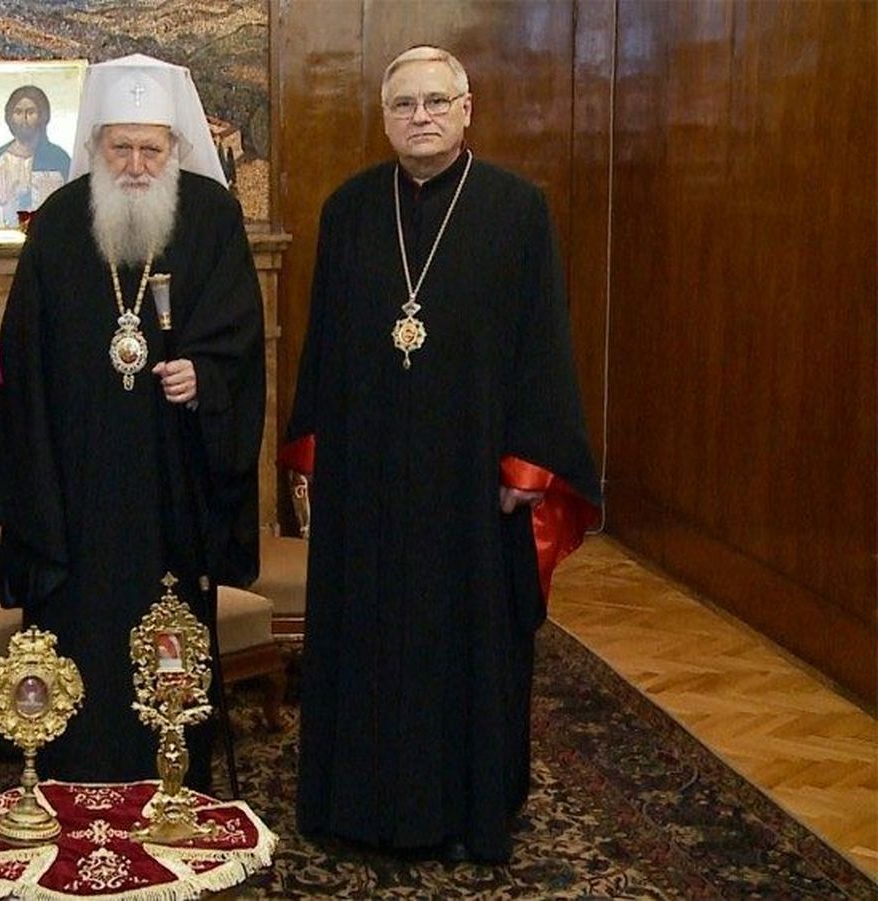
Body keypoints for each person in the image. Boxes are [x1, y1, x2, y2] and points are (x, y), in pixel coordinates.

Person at [286, 45, 602, 863]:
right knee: (364, 636)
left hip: (471, 478)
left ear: (467, 110)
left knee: (465, 640)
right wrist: (314, 460)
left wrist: (528, 465)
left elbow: (543, 342)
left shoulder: (517, 209)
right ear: (384, 118)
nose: (420, 116)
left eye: (436, 101)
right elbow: (323, 345)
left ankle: (467, 808)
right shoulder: (349, 208)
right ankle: (355, 803)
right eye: (404, 104)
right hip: (366, 474)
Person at [0, 54, 265, 787]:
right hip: (77, 486)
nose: (135, 165)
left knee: (168, 629)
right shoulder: (60, 221)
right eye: (120, 147)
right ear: (96, 145)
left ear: (176, 147)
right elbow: (24, 356)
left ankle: (172, 778)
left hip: (172, 479)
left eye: (151, 149)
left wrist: (204, 374)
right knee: (80, 629)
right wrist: (31, 482)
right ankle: (73, 776)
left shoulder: (212, 215)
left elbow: (238, 336)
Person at [0, 85, 72, 228]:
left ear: (42, 116)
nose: (24, 119)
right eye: (18, 112)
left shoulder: (58, 159)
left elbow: (69, 207)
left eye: (30, 112)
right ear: (10, 117)